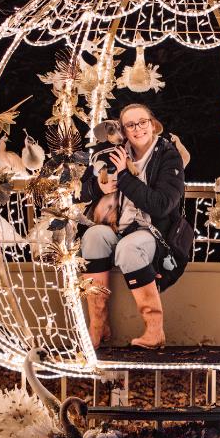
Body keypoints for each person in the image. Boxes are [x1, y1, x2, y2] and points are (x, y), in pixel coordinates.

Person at [77, 102, 185, 350]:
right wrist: (97, 187)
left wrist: (124, 177)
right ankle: (98, 324)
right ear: (123, 130)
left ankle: (154, 329)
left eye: (143, 122)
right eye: (130, 125)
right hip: (116, 226)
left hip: (153, 233)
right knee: (93, 236)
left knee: (128, 248)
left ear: (152, 123)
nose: (138, 129)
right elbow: (80, 190)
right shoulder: (111, 152)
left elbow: (161, 205)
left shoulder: (168, 155)